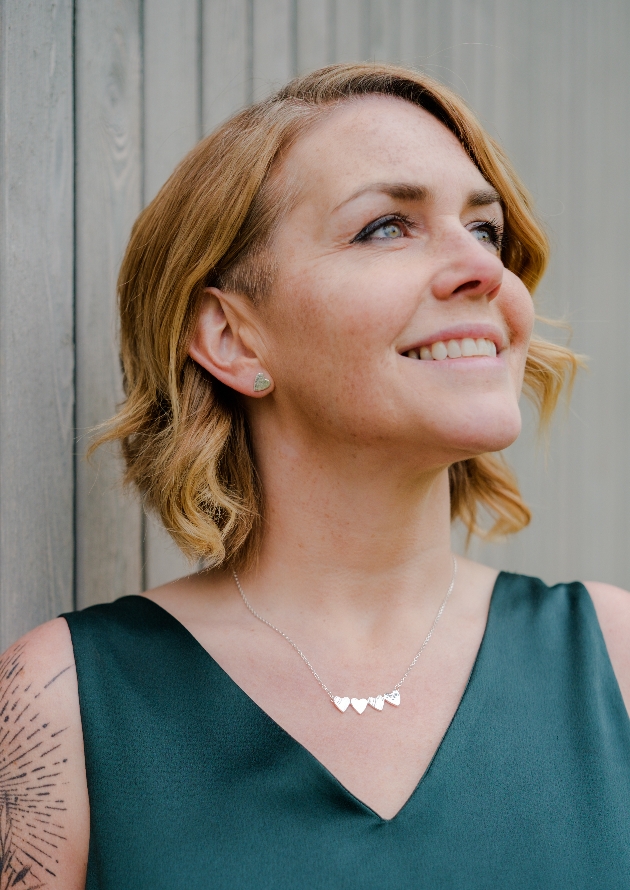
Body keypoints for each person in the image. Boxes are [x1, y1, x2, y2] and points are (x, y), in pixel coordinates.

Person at [1, 63, 629, 890]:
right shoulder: (61, 701)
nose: (483, 271)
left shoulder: (616, 660)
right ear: (233, 338)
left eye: (486, 231)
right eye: (385, 228)